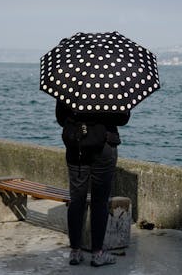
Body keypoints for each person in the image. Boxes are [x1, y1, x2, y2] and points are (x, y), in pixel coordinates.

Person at [56, 100, 130, 267]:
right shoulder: (111, 82)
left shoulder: (71, 81)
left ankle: (75, 251)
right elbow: (122, 119)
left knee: (76, 199)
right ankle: (97, 253)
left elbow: (61, 118)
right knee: (100, 201)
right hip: (104, 146)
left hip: (77, 146)